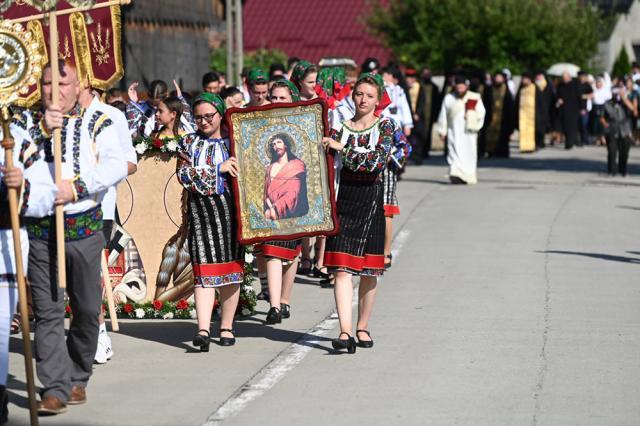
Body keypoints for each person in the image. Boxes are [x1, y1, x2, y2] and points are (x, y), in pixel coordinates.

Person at [25, 60, 127, 414]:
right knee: (48, 310)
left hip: (83, 225)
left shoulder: (99, 120)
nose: (55, 91)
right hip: (41, 229)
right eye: (48, 83)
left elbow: (116, 165)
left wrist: (77, 188)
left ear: (80, 83)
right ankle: (54, 386)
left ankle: (78, 374)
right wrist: (40, 129)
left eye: (63, 83)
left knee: (85, 308)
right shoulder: (26, 121)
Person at [322, 73, 393, 353]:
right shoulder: (341, 127)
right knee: (341, 269)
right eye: (359, 94)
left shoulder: (385, 127)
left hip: (371, 199)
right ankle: (344, 331)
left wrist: (344, 148)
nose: (363, 100)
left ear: (378, 100)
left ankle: (362, 326)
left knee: (368, 271)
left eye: (369, 95)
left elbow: (377, 161)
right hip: (345, 199)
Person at [177, 93, 244, 350]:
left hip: (231, 213)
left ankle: (226, 325)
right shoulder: (189, 142)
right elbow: (184, 174)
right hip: (201, 213)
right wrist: (218, 169)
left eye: (208, 116)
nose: (203, 122)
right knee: (203, 271)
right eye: (198, 117)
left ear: (220, 114)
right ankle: (203, 329)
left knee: (230, 271)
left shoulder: (234, 141)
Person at [77, 81, 138, 365]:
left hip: (98, 208)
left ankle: (97, 332)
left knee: (89, 275)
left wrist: (96, 175)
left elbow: (130, 161)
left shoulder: (111, 116)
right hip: (57, 209)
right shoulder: (52, 117)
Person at [256, 81, 303, 324]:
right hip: (269, 208)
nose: (276, 102)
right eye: (273, 98)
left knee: (291, 253)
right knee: (272, 252)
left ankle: (284, 299)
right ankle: (274, 306)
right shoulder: (260, 124)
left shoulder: (302, 126)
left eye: (282, 98)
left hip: (293, 207)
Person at [0, 112, 34, 425]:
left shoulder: (19, 138)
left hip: (8, 235)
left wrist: (21, 182)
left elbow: (41, 186)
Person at [436, 75, 486, 184]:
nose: (460, 90)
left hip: (469, 133)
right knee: (454, 152)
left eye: (462, 88)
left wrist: (472, 115)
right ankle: (455, 174)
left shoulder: (474, 97)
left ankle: (468, 176)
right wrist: (442, 131)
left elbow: (481, 113)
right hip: (453, 131)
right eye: (458, 88)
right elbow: (443, 115)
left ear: (466, 87)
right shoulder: (449, 98)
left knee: (468, 154)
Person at [126, 79, 194, 137]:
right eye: (152, 103)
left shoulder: (173, 109)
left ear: (166, 96)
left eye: (158, 104)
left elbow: (191, 128)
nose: (155, 109)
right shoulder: (141, 108)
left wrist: (180, 101)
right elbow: (129, 131)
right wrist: (133, 104)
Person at [264, 133, 308, 220]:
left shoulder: (296, 165)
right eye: (274, 144)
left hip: (286, 211)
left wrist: (276, 209)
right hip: (270, 209)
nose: (276, 146)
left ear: (286, 145)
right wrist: (270, 207)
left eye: (279, 142)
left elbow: (294, 192)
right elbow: (266, 193)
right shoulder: (270, 168)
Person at [601, 82, 635, 176]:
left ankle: (623, 170)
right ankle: (612, 171)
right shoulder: (608, 103)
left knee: (624, 152)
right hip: (612, 129)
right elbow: (602, 116)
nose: (618, 93)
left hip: (625, 130)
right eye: (616, 91)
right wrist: (605, 125)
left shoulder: (626, 102)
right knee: (612, 152)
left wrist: (624, 98)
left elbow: (633, 109)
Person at [482, 71, 516, 158]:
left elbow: (510, 105)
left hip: (503, 117)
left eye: (500, 77)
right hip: (491, 116)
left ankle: (501, 152)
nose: (498, 79)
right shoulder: (489, 89)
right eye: (496, 77)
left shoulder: (506, 90)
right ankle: (490, 151)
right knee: (489, 134)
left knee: (502, 135)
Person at [516, 72, 543, 153]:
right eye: (523, 78)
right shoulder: (521, 89)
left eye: (525, 78)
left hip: (533, 115)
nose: (524, 80)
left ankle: (532, 146)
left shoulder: (535, 88)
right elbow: (517, 101)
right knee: (523, 131)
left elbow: (540, 103)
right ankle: (524, 147)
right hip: (523, 115)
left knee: (533, 131)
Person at [556, 72, 581, 149]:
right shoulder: (560, 85)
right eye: (563, 78)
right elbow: (557, 95)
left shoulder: (575, 85)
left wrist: (582, 107)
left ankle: (570, 143)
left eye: (566, 78)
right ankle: (569, 141)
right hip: (564, 109)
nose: (565, 79)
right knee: (565, 127)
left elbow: (579, 97)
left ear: (569, 77)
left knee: (572, 127)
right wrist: (559, 99)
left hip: (573, 109)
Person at [592, 73, 612, 146]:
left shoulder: (605, 90)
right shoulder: (594, 90)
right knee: (596, 124)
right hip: (596, 108)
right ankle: (598, 138)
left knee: (603, 123)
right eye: (597, 83)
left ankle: (603, 138)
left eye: (600, 83)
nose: (598, 84)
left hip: (603, 108)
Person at [578, 71, 594, 146]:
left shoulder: (587, 85)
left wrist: (584, 96)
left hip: (584, 108)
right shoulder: (576, 84)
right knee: (579, 125)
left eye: (583, 76)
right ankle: (580, 139)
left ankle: (584, 140)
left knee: (584, 125)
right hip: (577, 107)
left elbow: (592, 95)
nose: (582, 78)